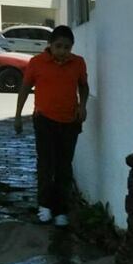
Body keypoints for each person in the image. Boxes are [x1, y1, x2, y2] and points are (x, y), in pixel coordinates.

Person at [14, 25, 89, 228]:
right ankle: (45, 205)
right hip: (44, 120)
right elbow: (25, 88)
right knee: (46, 164)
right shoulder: (37, 63)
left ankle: (61, 209)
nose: (63, 51)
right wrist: (18, 116)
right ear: (50, 46)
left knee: (64, 166)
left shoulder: (78, 63)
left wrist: (82, 106)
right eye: (58, 46)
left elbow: (83, 85)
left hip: (70, 122)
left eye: (67, 47)